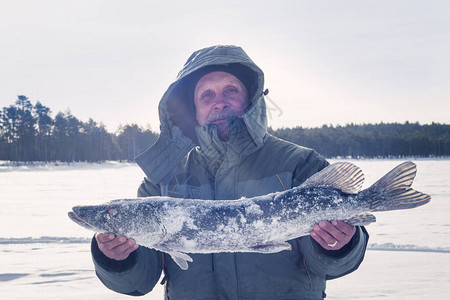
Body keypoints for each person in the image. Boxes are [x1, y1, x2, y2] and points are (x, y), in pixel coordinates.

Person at [91, 45, 369, 299]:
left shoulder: (301, 163)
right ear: (194, 109)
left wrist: (340, 245)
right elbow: (141, 280)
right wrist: (117, 259)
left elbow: (330, 265)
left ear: (251, 97)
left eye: (230, 91)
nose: (219, 102)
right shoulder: (163, 179)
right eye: (207, 95)